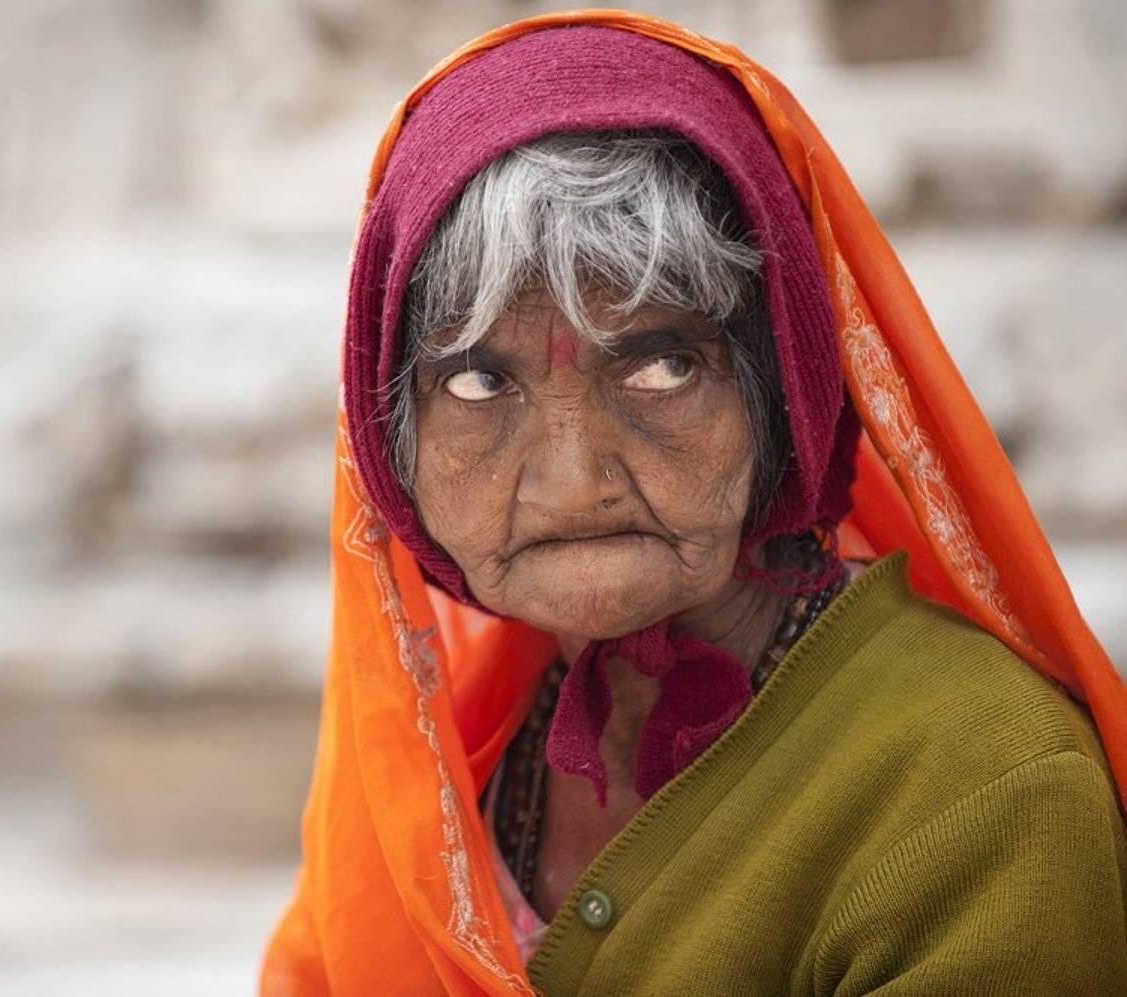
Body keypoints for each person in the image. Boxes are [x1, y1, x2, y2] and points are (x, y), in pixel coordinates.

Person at [261, 10, 1127, 995]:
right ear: (389, 440)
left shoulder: (982, 783)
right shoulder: (449, 758)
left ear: (787, 392)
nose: (572, 478)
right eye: (478, 382)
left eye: (663, 365)